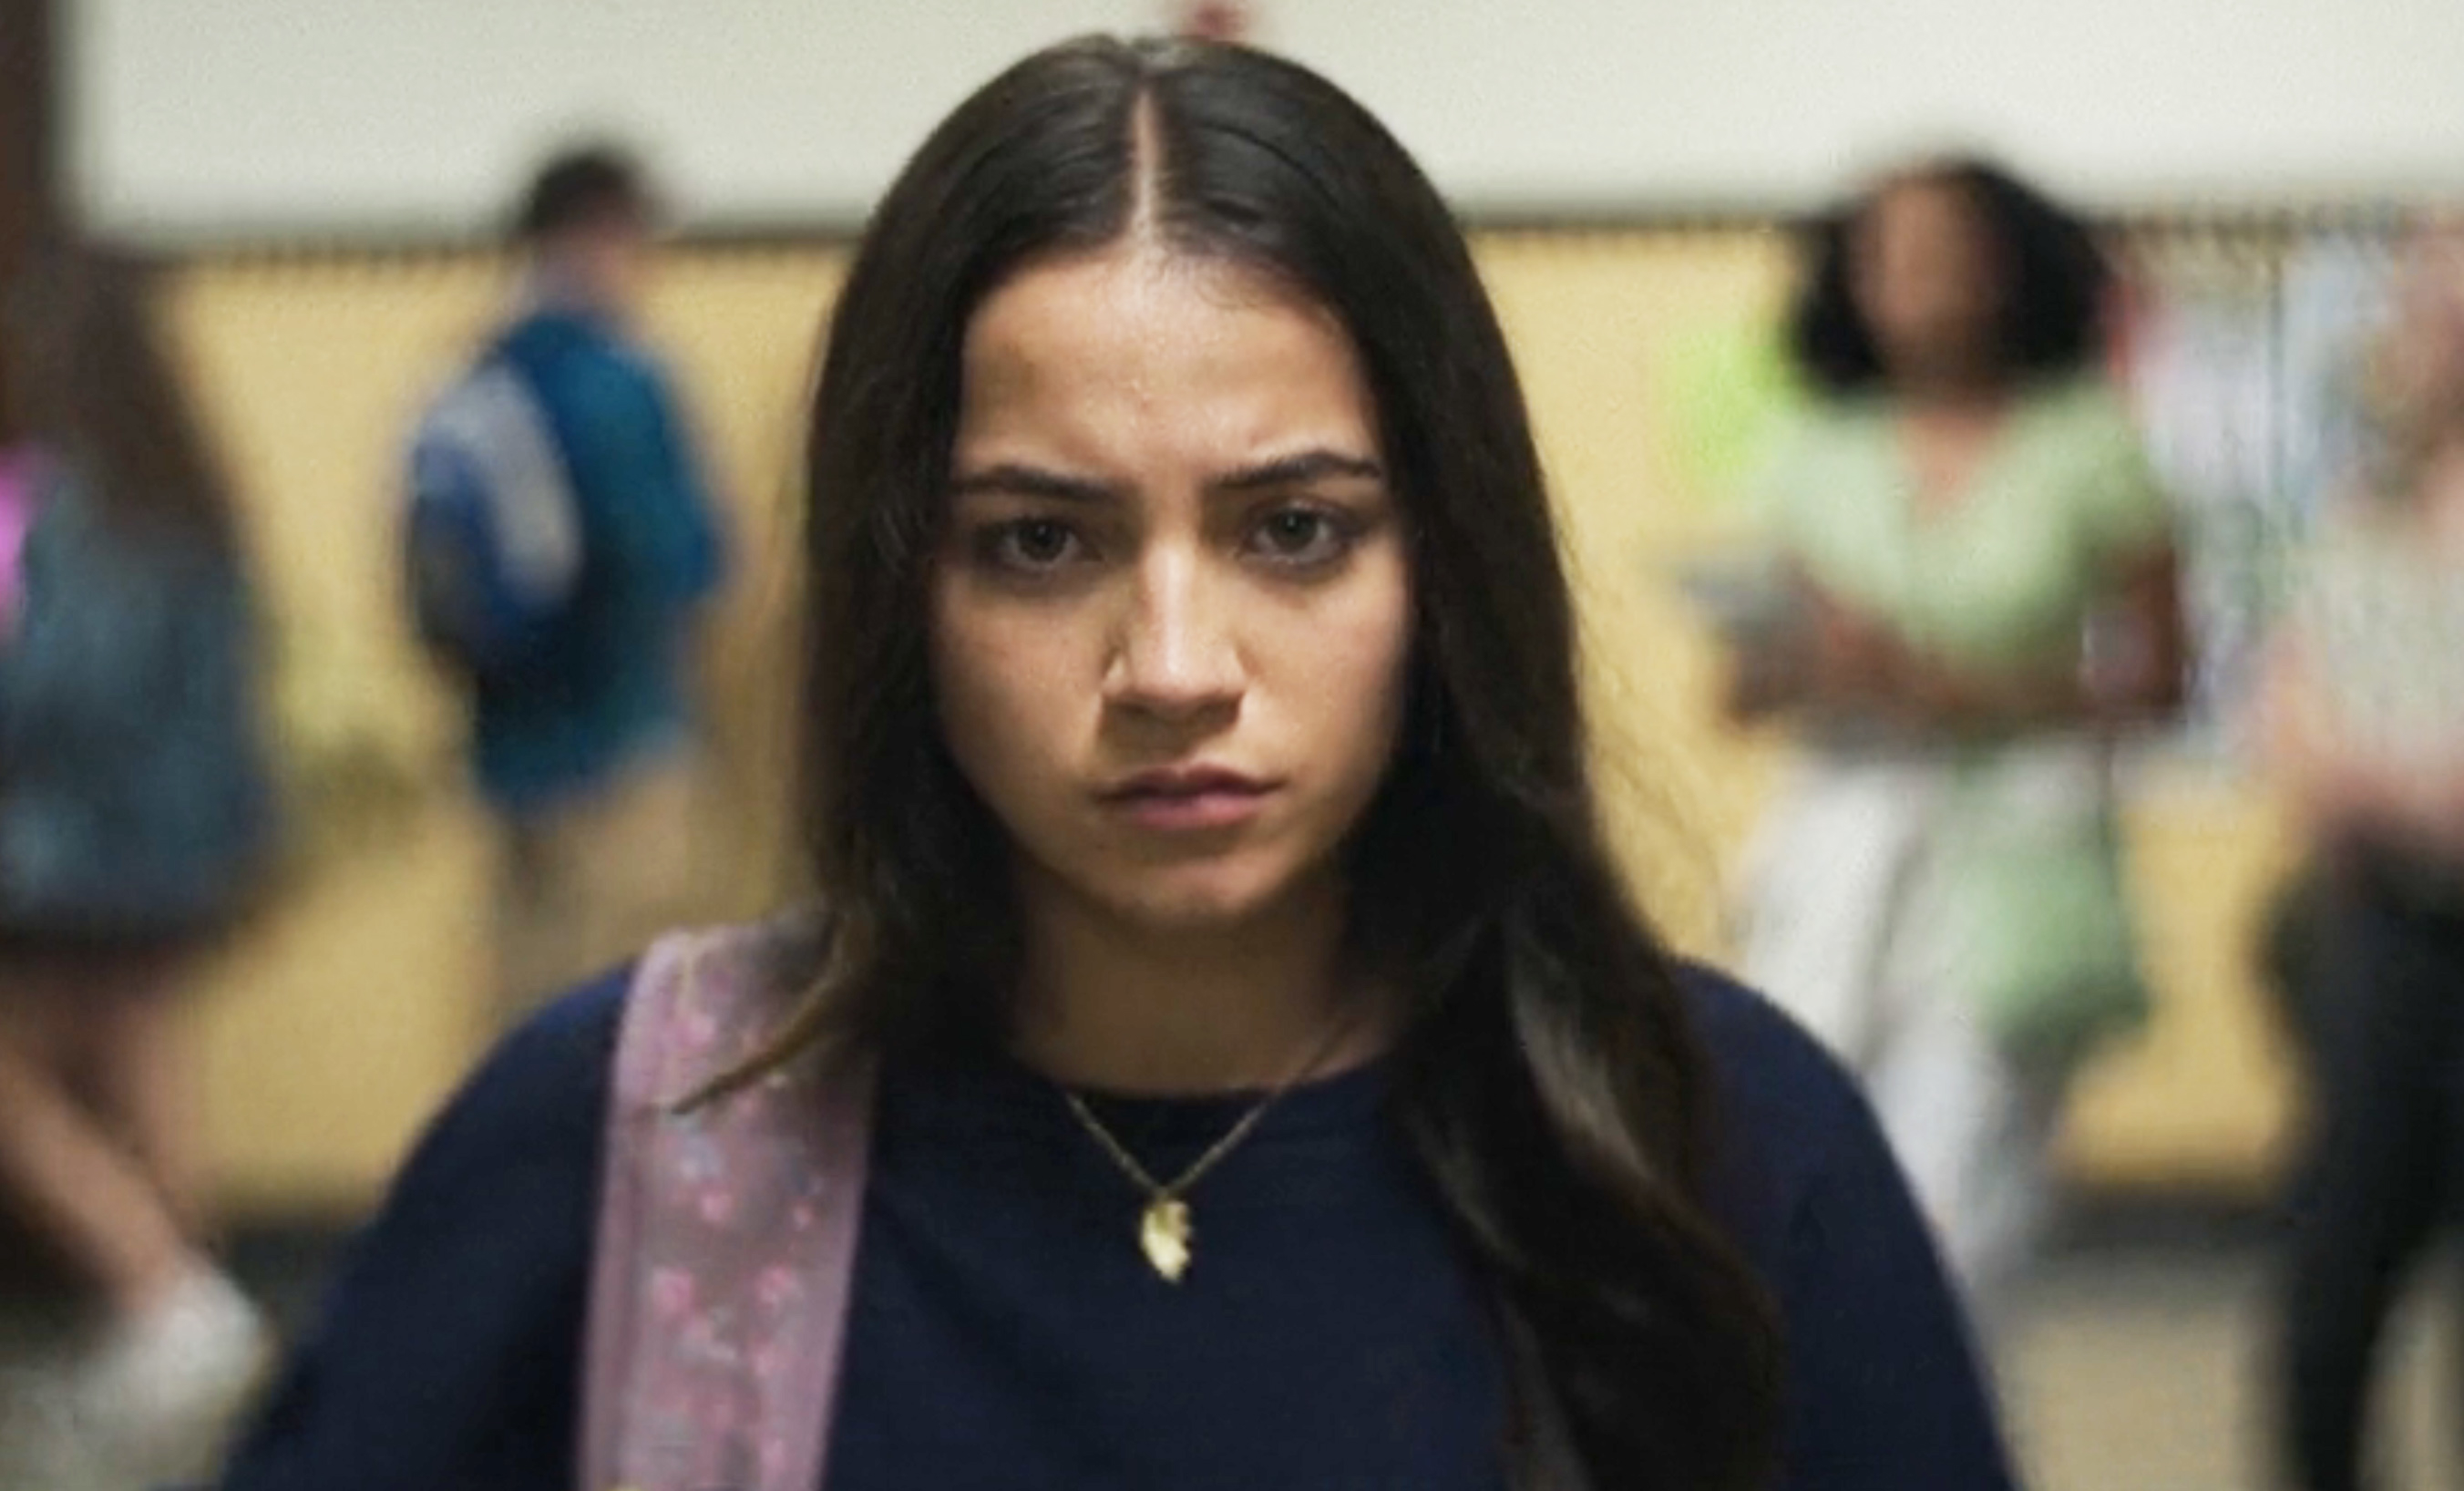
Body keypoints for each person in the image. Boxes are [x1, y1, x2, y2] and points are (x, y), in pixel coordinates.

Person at [218, 36, 2013, 1491]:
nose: (1171, 667)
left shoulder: (1711, 1147)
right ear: (898, 585)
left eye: (1294, 529)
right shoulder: (639, 1141)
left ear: (1442, 562)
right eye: (1039, 544)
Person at [1725, 159, 2189, 1339]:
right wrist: (1810, 665)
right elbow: (1737, 690)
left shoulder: (2086, 441)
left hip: (2011, 867)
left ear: (2009, 269)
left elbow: (2164, 679)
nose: (1916, 281)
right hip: (1841, 851)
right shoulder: (1815, 450)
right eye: (1888, 255)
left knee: (1949, 1236)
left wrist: (1965, 691)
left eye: (1945, 251)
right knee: (1800, 1198)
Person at [0, 243, 280, 1485]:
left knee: (17, 1089)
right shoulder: (190, 488)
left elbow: (52, 685)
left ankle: (158, 1295)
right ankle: (188, 1313)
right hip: (177, 856)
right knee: (139, 1061)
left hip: (56, 849)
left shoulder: (48, 501)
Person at [408, 144, 731, 1019]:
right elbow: (685, 557)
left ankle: (512, 1157)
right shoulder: (622, 380)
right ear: (604, 234)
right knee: (627, 1007)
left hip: (506, 740)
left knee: (519, 999)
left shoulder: (472, 374)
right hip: (620, 729)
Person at [2261, 224, 2464, 1491]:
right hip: (2388, 939)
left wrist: (2389, 774)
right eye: (2418, 295)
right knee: (2332, 1293)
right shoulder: (2368, 509)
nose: (2420, 317)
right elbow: (2297, 731)